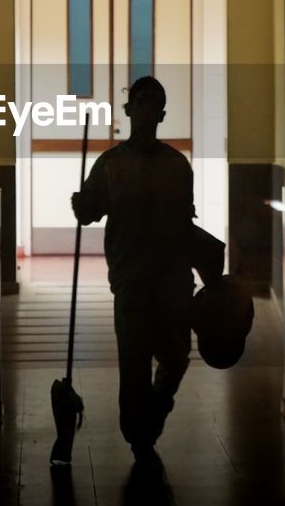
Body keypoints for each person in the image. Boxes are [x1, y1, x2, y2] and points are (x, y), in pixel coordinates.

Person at [71, 76, 195, 467]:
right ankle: (139, 437)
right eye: (139, 102)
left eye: (152, 103)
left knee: (176, 357)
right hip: (131, 281)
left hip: (173, 280)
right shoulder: (111, 165)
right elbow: (90, 211)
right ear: (129, 111)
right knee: (135, 366)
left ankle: (150, 421)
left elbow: (185, 223)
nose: (145, 109)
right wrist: (82, 204)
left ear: (161, 113)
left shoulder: (177, 166)